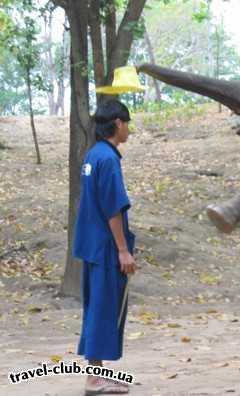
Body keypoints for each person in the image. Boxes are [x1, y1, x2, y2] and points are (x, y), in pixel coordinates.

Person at [73, 99, 136, 395]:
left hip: (91, 244)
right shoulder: (108, 160)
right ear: (118, 124)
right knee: (104, 308)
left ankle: (96, 373)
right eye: (127, 124)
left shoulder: (93, 155)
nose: (129, 130)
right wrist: (123, 250)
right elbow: (113, 209)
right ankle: (94, 379)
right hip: (105, 246)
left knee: (97, 307)